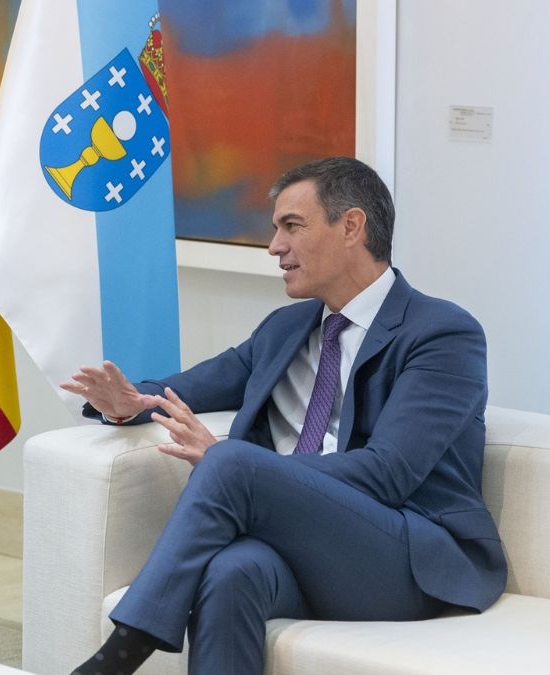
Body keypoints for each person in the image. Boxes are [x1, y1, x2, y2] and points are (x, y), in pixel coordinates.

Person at [62, 157, 505, 675]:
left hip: (407, 556)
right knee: (231, 572)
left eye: (291, 226)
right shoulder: (284, 329)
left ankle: (114, 659)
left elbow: (389, 473)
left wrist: (246, 468)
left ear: (351, 226)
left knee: (229, 461)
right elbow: (182, 388)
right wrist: (124, 404)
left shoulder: (442, 333)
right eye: (275, 230)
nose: (275, 247)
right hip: (308, 547)